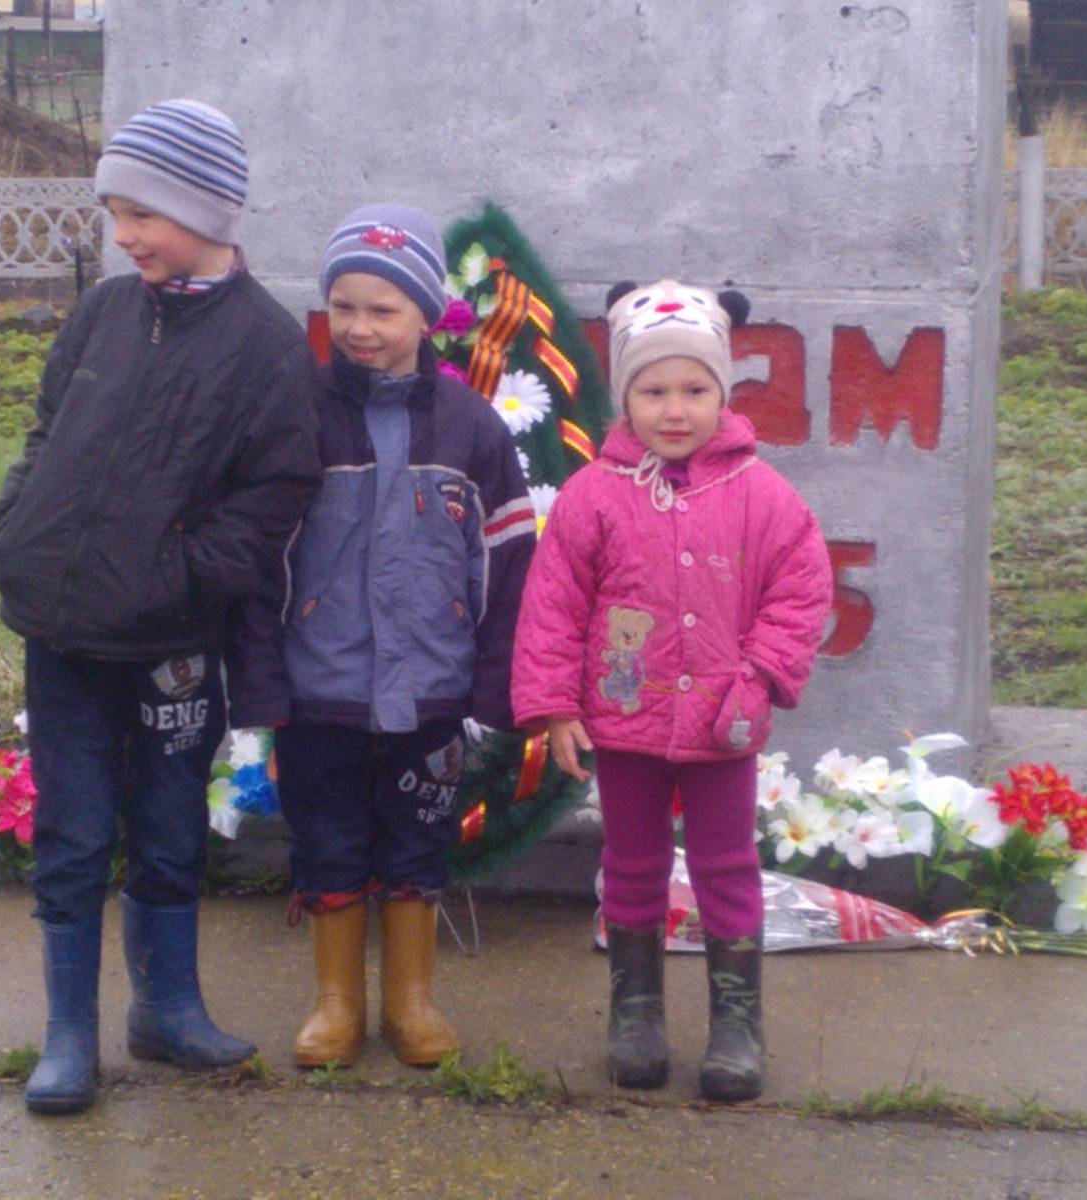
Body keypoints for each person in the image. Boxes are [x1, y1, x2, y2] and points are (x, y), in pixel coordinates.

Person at [0, 98, 323, 1114]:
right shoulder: (103, 311)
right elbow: (49, 423)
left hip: (172, 644)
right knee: (75, 832)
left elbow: (274, 494)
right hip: (64, 634)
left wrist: (178, 577)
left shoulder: (266, 345)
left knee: (170, 828)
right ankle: (69, 1035)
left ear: (206, 211)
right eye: (114, 215)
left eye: (141, 214)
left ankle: (167, 1009)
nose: (123, 235)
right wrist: (20, 519)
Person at [511, 279, 832, 1101]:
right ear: (626, 397)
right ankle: (636, 1014)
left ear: (724, 393)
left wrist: (760, 674)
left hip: (726, 720)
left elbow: (800, 590)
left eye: (695, 389)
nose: (675, 409)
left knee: (727, 865)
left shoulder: (761, 494)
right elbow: (554, 604)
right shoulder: (594, 495)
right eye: (653, 391)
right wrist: (555, 706)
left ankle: (737, 1025)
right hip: (625, 718)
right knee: (632, 863)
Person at [232, 202, 533, 1070]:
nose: (361, 328)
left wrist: (496, 683)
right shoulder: (299, 416)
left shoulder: (471, 427)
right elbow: (258, 561)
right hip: (319, 690)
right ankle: (336, 1003)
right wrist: (260, 681)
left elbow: (509, 559)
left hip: (430, 693)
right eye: (344, 307)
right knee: (326, 842)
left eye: (384, 309)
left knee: (416, 843)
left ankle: (411, 1001)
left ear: (428, 313)